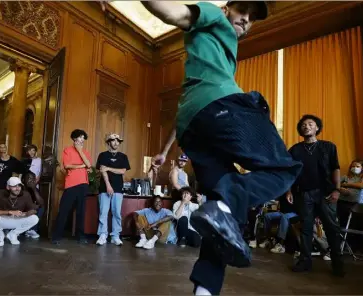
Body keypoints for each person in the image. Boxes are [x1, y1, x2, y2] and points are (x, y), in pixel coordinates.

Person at [110, 2, 303, 294]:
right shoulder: (215, 15)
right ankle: (225, 203)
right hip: (223, 108)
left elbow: (188, 112)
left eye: (252, 19)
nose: (247, 21)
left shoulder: (210, 55)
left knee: (223, 223)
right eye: (243, 12)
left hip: (194, 126)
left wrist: (164, 150)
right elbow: (174, 13)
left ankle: (205, 290)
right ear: (227, 9)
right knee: (285, 167)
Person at [287, 115, 344, 276]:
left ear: (317, 128)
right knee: (305, 229)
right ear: (300, 129)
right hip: (304, 194)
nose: (306, 126)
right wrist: (288, 190)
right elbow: (290, 172)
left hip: (326, 193)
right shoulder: (295, 149)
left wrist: (337, 189)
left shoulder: (328, 147)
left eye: (310, 124)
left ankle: (337, 263)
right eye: (303, 124)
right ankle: (305, 261)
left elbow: (336, 168)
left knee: (332, 228)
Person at [52, 129, 92, 245]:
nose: (82, 140)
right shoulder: (67, 150)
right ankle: (57, 236)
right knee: (64, 210)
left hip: (83, 184)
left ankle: (81, 236)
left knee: (81, 211)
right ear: (75, 138)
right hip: (71, 184)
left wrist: (80, 151)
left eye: (83, 138)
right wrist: (82, 165)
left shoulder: (85, 152)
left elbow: (89, 165)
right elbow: (67, 165)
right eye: (80, 137)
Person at [95, 133, 130, 246]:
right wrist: (108, 185)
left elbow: (123, 171)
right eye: (114, 140)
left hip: (118, 189)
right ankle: (103, 235)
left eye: (118, 141)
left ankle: (115, 235)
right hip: (104, 188)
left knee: (116, 213)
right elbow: (102, 170)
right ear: (109, 142)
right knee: (103, 213)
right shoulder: (103, 155)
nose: (116, 143)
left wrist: (109, 168)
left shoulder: (123, 156)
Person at [0, 177, 39, 246]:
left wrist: (27, 213)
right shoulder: (0, 194)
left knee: (34, 218)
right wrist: (9, 212)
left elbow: (33, 210)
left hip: (17, 219)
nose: (17, 188)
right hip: (4, 219)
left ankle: (13, 234)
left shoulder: (25, 194)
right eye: (14, 186)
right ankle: (0, 235)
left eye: (19, 186)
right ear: (8, 187)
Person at [22, 171, 45, 239]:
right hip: (19, 214)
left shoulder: (35, 190)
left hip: (29, 215)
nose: (31, 181)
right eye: (29, 178)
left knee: (41, 207)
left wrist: (34, 189)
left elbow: (41, 204)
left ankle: (32, 230)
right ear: (23, 180)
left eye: (33, 179)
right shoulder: (19, 189)